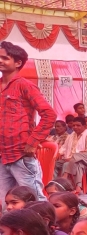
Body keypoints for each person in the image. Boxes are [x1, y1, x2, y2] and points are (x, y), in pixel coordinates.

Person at [0, 42, 56, 204]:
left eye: (5, 58)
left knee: (34, 202)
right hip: (2, 156)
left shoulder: (24, 86)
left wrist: (33, 141)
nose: (1, 61)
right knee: (7, 204)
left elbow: (49, 114)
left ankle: (46, 229)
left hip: (21, 155)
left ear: (18, 63)